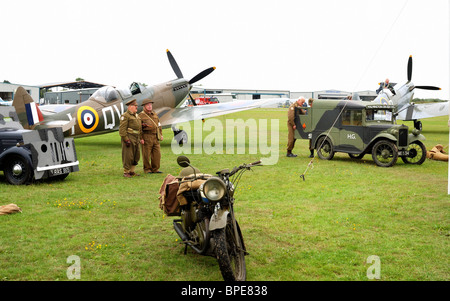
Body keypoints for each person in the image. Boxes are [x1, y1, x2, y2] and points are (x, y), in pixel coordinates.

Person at [119, 99, 144, 178]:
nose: (136, 107)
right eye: (135, 106)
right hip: (129, 137)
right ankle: (126, 172)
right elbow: (122, 129)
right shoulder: (125, 116)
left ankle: (132, 171)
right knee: (128, 155)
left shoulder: (136, 115)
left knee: (136, 155)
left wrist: (140, 138)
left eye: (136, 106)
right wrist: (126, 139)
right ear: (130, 107)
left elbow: (139, 128)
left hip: (136, 138)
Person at [139, 98, 163, 174]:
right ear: (144, 106)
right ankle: (147, 169)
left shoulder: (154, 114)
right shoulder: (141, 116)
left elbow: (159, 125)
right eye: (147, 105)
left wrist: (161, 134)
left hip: (155, 137)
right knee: (146, 154)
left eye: (150, 105)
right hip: (146, 136)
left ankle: (155, 169)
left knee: (157, 154)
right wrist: (141, 138)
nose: (149, 106)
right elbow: (139, 128)